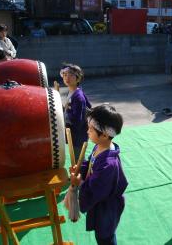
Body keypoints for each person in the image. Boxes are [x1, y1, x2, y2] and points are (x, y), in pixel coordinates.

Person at [70, 105, 128, 245]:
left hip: (106, 207)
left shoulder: (108, 164)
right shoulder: (99, 147)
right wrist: (81, 168)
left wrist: (80, 183)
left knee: (105, 237)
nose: (87, 131)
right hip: (102, 203)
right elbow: (91, 164)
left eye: (91, 129)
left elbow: (96, 189)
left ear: (105, 134)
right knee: (103, 235)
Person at [60, 64, 91, 160]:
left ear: (78, 78)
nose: (67, 77)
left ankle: (82, 174)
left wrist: (65, 113)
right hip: (75, 134)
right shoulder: (72, 91)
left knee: (78, 159)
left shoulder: (78, 97)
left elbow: (77, 121)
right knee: (76, 158)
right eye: (65, 74)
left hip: (78, 135)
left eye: (70, 75)